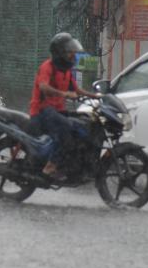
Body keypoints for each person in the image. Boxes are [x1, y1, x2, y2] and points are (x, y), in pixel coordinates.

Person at [29, 32, 99, 179]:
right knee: (66, 129)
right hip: (42, 112)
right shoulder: (47, 67)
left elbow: (77, 90)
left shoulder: (66, 71)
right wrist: (64, 94)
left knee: (83, 126)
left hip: (57, 112)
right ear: (59, 52)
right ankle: (51, 165)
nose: (72, 56)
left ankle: (71, 165)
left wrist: (98, 96)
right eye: (69, 52)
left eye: (73, 52)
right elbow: (43, 87)